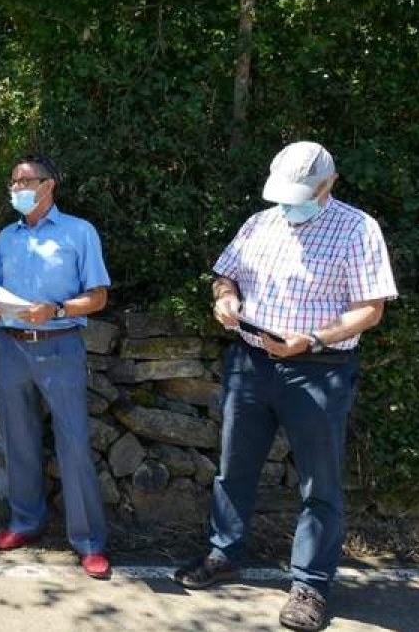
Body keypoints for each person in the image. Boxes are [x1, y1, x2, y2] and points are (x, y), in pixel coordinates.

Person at [172, 142, 397, 632]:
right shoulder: (260, 222)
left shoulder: (358, 229)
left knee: (319, 482)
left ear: (328, 184)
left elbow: (370, 310)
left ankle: (311, 584)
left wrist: (311, 339)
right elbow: (225, 275)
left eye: (301, 195)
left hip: (318, 368)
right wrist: (225, 298)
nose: (289, 204)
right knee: (234, 467)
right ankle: (224, 552)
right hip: (251, 362)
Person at [0, 153, 112, 579]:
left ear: (48, 184)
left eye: (24, 181)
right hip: (11, 346)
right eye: (13, 182)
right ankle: (24, 523)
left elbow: (98, 297)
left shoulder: (79, 232)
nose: (16, 188)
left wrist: (55, 310)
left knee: (73, 443)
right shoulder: (6, 237)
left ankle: (89, 543)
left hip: (60, 345)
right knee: (19, 440)